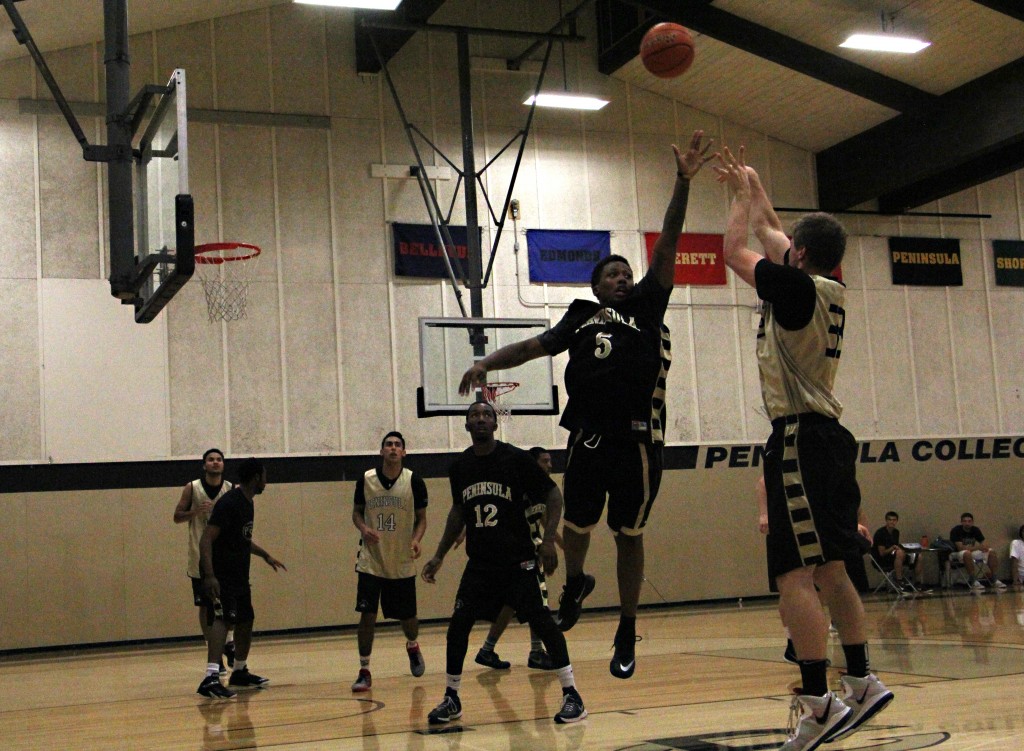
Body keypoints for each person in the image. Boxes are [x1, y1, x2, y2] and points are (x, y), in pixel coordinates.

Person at [458, 130, 714, 680]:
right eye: (612, 274)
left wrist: (682, 181)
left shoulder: (647, 305)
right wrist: (484, 364)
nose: (622, 278)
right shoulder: (579, 315)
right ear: (597, 287)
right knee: (575, 526)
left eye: (626, 272)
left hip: (639, 437)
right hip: (589, 435)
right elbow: (532, 347)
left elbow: (668, 242)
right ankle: (575, 582)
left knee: (629, 534)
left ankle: (626, 625)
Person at [716, 145, 892, 750]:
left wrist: (737, 201)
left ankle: (818, 700)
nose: (781, 248)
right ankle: (863, 679)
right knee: (836, 565)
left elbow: (735, 251)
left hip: (797, 439)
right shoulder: (828, 284)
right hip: (832, 439)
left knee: (794, 573)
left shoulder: (794, 289)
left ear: (803, 256)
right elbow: (772, 232)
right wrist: (756, 185)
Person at [420, 402, 586, 725]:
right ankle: (451, 698)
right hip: (480, 565)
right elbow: (458, 512)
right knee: (457, 629)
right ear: (466, 426)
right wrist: (439, 555)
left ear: (495, 425)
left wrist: (549, 539)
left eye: (486, 415)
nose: (480, 419)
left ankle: (572, 695)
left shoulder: (516, 460)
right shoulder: (461, 467)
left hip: (517, 562)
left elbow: (554, 496)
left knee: (543, 624)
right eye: (474, 415)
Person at [197, 458, 287, 699]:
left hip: (238, 574)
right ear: (257, 477)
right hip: (221, 573)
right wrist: (209, 575)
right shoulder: (230, 503)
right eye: (265, 476)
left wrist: (265, 555)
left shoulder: (248, 502)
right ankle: (210, 677)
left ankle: (239, 670)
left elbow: (242, 539)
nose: (266, 481)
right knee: (223, 620)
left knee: (246, 620)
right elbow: (206, 539)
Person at [350, 431, 429, 692]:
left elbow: (421, 519)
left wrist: (416, 539)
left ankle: (412, 644)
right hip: (371, 560)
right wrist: (363, 529)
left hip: (401, 560)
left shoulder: (414, 481)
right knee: (367, 616)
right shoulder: (366, 479)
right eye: (389, 445)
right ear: (382, 451)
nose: (393, 448)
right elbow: (357, 513)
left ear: (404, 452)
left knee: (409, 619)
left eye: (398, 445)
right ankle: (364, 670)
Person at [473, 446, 557, 672]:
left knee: (511, 603)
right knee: (539, 602)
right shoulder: (518, 488)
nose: (550, 466)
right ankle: (537, 652)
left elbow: (546, 521)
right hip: (520, 555)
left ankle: (487, 650)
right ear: (532, 464)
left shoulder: (542, 490)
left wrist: (558, 544)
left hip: (529, 552)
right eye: (545, 461)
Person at [173, 448, 235, 674]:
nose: (215, 463)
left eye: (219, 459)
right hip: (199, 556)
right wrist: (195, 512)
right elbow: (176, 517)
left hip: (224, 555)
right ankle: (213, 652)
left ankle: (228, 641)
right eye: (211, 460)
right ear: (204, 465)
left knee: (228, 600)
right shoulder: (192, 488)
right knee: (205, 605)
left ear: (223, 464)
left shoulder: (230, 488)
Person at [949, 512, 1005, 589]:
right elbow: (960, 548)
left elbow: (984, 544)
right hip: (956, 553)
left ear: (972, 522)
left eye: (969, 521)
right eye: (965, 521)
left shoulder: (975, 530)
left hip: (971, 551)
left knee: (991, 552)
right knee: (967, 553)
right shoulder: (956, 530)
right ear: (961, 522)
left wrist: (985, 548)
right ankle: (972, 580)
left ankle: (994, 578)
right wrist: (978, 548)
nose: (967, 523)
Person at [872, 511, 919, 590]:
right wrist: (893, 548)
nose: (892, 522)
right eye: (890, 520)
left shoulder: (896, 532)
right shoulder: (880, 533)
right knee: (900, 553)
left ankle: (918, 582)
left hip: (894, 557)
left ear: (897, 521)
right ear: (886, 521)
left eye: (894, 520)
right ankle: (899, 580)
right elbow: (882, 553)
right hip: (882, 559)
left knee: (918, 556)